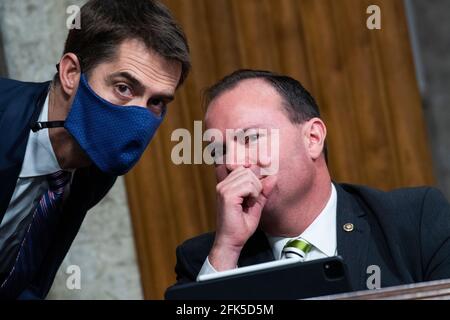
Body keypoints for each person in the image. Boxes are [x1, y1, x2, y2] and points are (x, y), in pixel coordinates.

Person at [171, 69, 450, 293]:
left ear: (313, 139)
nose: (232, 163)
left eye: (250, 138)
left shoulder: (414, 221)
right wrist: (227, 250)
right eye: (218, 151)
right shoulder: (202, 261)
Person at [0, 0, 190, 299]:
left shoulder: (96, 164)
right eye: (124, 87)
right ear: (71, 73)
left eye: (156, 102)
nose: (138, 122)